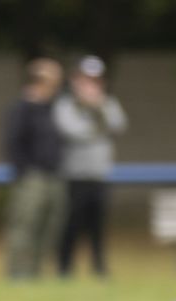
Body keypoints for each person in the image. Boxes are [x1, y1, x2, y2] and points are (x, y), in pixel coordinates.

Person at [54, 55, 127, 277]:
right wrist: (99, 129)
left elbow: (119, 126)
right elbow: (72, 132)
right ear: (76, 80)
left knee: (98, 226)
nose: (91, 86)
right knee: (71, 224)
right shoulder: (66, 104)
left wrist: (98, 108)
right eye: (86, 80)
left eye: (95, 80)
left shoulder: (108, 103)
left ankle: (99, 268)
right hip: (74, 176)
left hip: (99, 174)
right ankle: (65, 268)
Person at [2, 59, 65, 280]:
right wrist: (24, 172)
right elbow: (12, 142)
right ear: (40, 80)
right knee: (24, 225)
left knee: (48, 226)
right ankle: (18, 273)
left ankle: (35, 272)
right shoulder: (22, 108)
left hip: (53, 176)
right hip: (32, 177)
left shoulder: (52, 108)